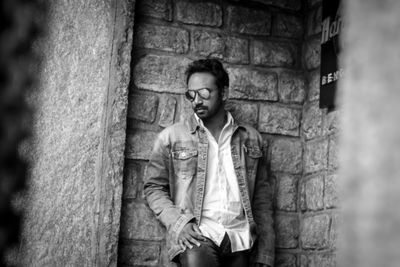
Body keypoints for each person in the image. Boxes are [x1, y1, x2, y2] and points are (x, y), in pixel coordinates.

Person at [144, 59, 275, 267]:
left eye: (204, 93)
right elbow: (153, 188)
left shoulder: (251, 139)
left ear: (223, 93)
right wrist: (179, 224)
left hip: (239, 239)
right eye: (191, 94)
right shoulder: (170, 138)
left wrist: (265, 254)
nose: (197, 100)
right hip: (198, 237)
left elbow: (262, 200)